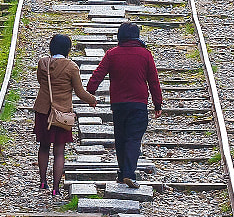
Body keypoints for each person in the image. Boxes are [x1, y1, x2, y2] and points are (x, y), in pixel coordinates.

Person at [86, 21, 164, 187]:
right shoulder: (145, 55)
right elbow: (154, 81)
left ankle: (122, 174)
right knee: (133, 139)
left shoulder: (112, 54)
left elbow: (98, 74)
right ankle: (129, 174)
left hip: (119, 105)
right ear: (137, 37)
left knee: (120, 139)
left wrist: (90, 91)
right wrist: (157, 104)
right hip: (138, 104)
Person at [34, 34, 97, 195]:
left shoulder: (43, 63)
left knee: (44, 146)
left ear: (51, 47)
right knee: (59, 151)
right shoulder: (71, 67)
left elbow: (41, 82)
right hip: (61, 114)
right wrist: (92, 100)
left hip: (43, 111)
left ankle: (42, 182)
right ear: (68, 50)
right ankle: (55, 188)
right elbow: (80, 92)